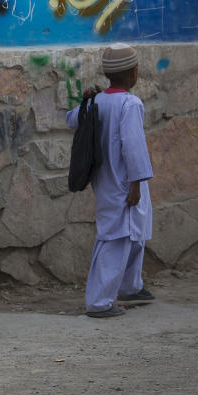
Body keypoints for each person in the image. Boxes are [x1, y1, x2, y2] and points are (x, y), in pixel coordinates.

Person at [67, 43, 154, 318]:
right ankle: (99, 302)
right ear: (134, 73)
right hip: (125, 183)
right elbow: (133, 145)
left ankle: (131, 286)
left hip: (107, 181)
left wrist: (87, 100)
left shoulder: (97, 101)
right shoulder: (130, 104)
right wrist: (137, 183)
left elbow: (72, 120)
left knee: (136, 235)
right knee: (117, 238)